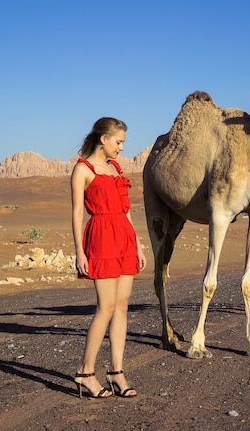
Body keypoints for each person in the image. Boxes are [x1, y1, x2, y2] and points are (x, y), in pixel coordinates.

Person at [71, 117, 147, 399]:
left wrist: (138, 244)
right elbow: (77, 213)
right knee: (106, 307)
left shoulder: (116, 168)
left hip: (124, 237)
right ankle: (85, 372)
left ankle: (116, 372)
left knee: (122, 306)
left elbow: (126, 210)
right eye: (119, 142)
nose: (122, 148)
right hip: (101, 237)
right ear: (103, 139)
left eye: (123, 143)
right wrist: (80, 250)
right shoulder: (83, 170)